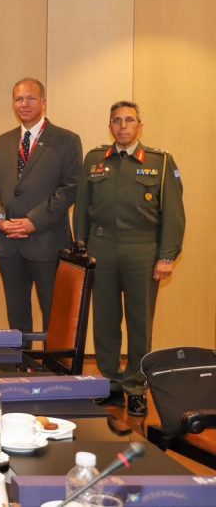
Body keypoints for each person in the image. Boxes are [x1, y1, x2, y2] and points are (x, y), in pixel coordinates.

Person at [74, 101, 185, 416]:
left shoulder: (161, 162)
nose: (123, 126)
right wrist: (81, 246)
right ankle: (110, 384)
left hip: (142, 251)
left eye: (129, 120)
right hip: (102, 249)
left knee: (139, 324)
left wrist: (167, 256)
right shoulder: (95, 159)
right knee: (105, 322)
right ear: (110, 126)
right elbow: (82, 207)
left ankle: (136, 387)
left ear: (139, 125)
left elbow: (174, 214)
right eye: (117, 121)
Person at [0, 77, 82, 333]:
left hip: (46, 241)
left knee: (53, 314)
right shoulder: (4, 140)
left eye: (30, 98)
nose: (24, 104)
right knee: (16, 316)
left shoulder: (66, 140)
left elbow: (70, 188)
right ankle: (22, 358)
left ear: (44, 102)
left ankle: (54, 359)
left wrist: (33, 222)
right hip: (8, 242)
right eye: (19, 99)